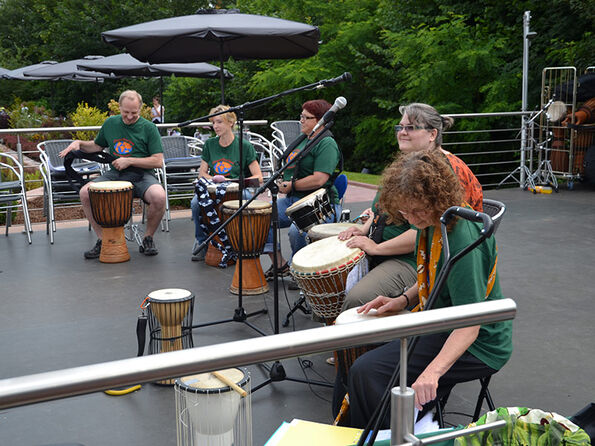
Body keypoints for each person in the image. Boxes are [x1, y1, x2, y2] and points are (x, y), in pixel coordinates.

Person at [337, 150, 512, 429]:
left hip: (479, 343)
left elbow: (470, 324)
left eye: (417, 210)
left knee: (367, 372)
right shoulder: (433, 219)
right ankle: (369, 430)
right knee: (361, 355)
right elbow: (437, 274)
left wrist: (433, 371)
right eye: (404, 211)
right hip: (441, 321)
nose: (411, 218)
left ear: (437, 199)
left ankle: (389, 435)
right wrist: (402, 299)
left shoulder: (461, 237)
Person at [338, 102, 484, 310]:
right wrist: (363, 229)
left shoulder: (444, 173)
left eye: (411, 127)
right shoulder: (411, 164)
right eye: (400, 127)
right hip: (385, 250)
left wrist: (376, 248)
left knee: (356, 299)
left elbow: (426, 232)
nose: (402, 132)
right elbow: (381, 209)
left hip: (413, 259)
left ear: (432, 134)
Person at [60, 90, 166, 258]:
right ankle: (103, 240)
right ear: (119, 107)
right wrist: (79, 144)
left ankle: (148, 238)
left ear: (140, 109)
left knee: (159, 196)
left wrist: (129, 161)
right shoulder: (110, 123)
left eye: (134, 113)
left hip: (142, 174)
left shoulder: (149, 127)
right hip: (116, 174)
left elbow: (158, 161)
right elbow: (97, 146)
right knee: (85, 193)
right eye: (126, 112)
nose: (129, 117)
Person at [262, 99, 342, 280]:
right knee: (261, 218)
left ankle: (300, 272)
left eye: (306, 117)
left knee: (296, 230)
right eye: (301, 116)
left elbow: (319, 179)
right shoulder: (304, 139)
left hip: (321, 204)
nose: (301, 120)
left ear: (321, 120)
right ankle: (280, 265)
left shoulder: (327, 143)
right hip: (293, 200)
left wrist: (292, 185)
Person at [190, 104, 263, 261]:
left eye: (219, 122)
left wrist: (230, 181)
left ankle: (244, 242)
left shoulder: (244, 146)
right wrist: (214, 179)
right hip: (214, 188)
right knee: (196, 203)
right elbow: (202, 173)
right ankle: (201, 241)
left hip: (237, 189)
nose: (215, 126)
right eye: (213, 122)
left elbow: (259, 177)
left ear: (231, 123)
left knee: (247, 199)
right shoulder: (210, 144)